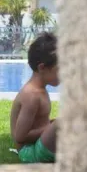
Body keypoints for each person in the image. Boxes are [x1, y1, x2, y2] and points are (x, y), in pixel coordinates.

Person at [10, 32, 59, 163]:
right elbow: (20, 137)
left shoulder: (40, 90)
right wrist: (50, 127)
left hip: (38, 144)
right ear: (42, 68)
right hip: (29, 152)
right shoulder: (32, 95)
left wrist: (50, 125)